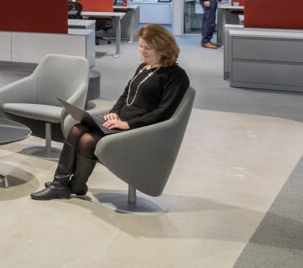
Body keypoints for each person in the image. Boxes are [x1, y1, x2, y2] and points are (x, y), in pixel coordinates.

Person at [31, 24, 190, 201]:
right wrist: (114, 112)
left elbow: (163, 113)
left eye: (148, 48)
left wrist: (127, 124)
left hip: (140, 129)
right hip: (120, 121)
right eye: (141, 46)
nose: (142, 51)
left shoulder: (176, 76)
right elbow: (126, 94)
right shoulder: (143, 67)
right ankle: (60, 184)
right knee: (77, 128)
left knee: (87, 139)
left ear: (163, 48)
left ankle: (75, 184)